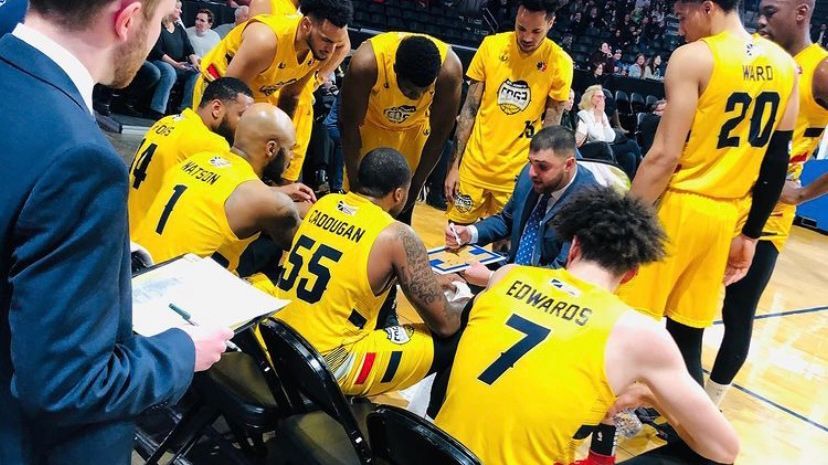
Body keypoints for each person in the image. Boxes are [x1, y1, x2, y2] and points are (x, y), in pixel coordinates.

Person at [0, 1, 234, 463]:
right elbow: (67, 385)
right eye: (164, 17)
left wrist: (93, 249)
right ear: (126, 19)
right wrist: (182, 352)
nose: (164, 30)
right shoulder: (80, 160)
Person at [434, 187, 740, 465]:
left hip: (432, 452)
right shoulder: (638, 333)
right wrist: (649, 396)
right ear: (632, 273)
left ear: (574, 246)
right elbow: (724, 449)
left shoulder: (507, 276)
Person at [617, 0, 798, 393]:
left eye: (682, 17)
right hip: (726, 216)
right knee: (687, 336)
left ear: (707, 7)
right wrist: (750, 234)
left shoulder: (693, 58)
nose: (680, 29)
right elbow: (776, 161)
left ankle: (600, 431)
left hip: (680, 206)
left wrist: (620, 224)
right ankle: (695, 435)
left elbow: (663, 156)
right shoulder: (785, 66)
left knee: (625, 323)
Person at [706, 0, 828, 408]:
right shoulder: (752, 54)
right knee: (684, 309)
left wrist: (806, 193)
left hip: (766, 221)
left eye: (771, 11)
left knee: (738, 314)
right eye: (758, 10)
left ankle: (711, 402)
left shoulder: (821, 71)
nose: (759, 19)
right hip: (719, 202)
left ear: (802, 11)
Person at [275, 148, 464, 396]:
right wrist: (470, 306)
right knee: (454, 338)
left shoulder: (325, 203)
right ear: (399, 194)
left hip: (276, 339)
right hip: (326, 363)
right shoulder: (396, 234)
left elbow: (348, 269)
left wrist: (429, 280)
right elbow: (446, 325)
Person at [445, 0, 573, 226]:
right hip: (474, 168)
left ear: (551, 23)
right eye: (521, 28)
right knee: (454, 240)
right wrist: (453, 167)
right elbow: (469, 110)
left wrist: (541, 178)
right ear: (515, 17)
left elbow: (551, 130)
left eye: (536, 31)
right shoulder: (491, 46)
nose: (526, 37)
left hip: (516, 176)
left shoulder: (560, 61)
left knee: (503, 251)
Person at [131, 103, 301, 272]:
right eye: (290, 149)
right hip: (166, 290)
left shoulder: (196, 159)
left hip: (133, 266)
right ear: (271, 148)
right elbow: (300, 241)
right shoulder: (270, 203)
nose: (292, 157)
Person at [445, 126, 599, 284]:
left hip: (546, 292)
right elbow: (507, 220)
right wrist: (469, 233)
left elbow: (562, 273)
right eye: (531, 162)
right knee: (443, 281)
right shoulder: (529, 175)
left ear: (568, 165)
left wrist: (493, 279)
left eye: (543, 166)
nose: (532, 172)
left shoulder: (589, 203)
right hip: (511, 269)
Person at [340, 32, 462, 225]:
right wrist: (355, 184)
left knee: (401, 207)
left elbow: (439, 136)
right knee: (360, 203)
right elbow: (349, 126)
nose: (417, 97)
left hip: (413, 130)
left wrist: (415, 188)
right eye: (410, 91)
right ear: (395, 69)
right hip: (372, 124)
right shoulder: (367, 63)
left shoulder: (449, 71)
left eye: (424, 91)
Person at [128, 77, 255, 232]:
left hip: (125, 221)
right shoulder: (212, 143)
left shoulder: (167, 121)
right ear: (216, 108)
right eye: (242, 115)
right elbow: (238, 199)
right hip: (148, 237)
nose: (246, 125)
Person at [194, 0, 352, 119]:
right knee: (212, 150)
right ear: (306, 25)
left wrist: (281, 137)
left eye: (336, 43)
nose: (330, 50)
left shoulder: (318, 49)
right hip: (219, 85)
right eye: (327, 41)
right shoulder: (265, 40)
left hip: (254, 94)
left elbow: (291, 95)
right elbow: (228, 95)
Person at [148, 0, 201, 118]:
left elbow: (189, 49)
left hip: (178, 64)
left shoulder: (179, 28)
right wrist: (176, 64)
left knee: (195, 74)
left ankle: (183, 109)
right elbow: (157, 51)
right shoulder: (158, 25)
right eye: (177, 8)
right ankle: (157, 110)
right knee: (170, 72)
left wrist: (195, 63)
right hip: (159, 61)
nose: (181, 11)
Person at [576, 84, 641, 178]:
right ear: (590, 98)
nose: (602, 99)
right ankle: (643, 172)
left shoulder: (602, 114)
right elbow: (597, 138)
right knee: (632, 144)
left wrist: (605, 123)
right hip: (593, 149)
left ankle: (625, 187)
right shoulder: (583, 114)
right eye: (599, 96)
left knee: (629, 157)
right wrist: (598, 119)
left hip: (606, 146)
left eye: (603, 96)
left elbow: (611, 137)